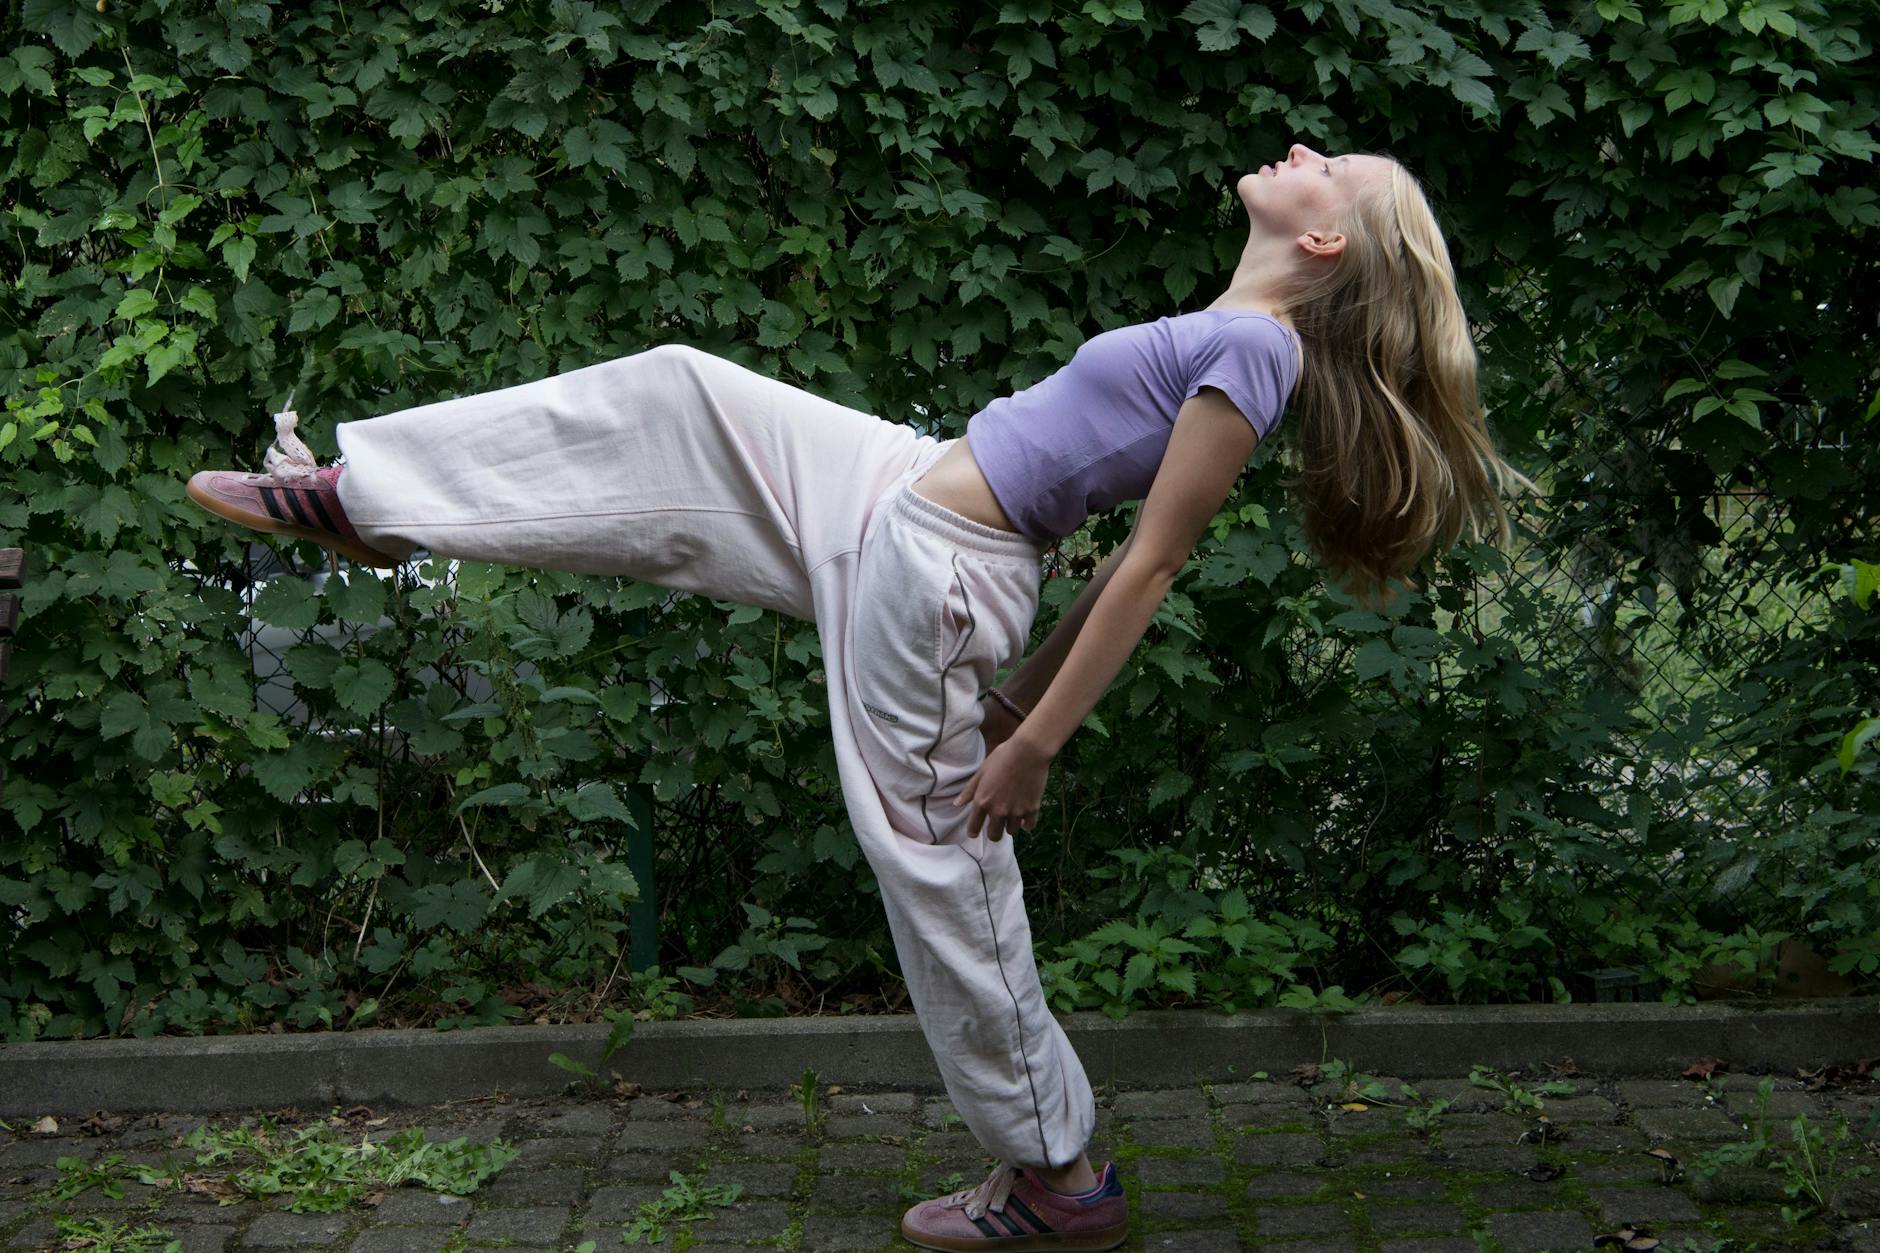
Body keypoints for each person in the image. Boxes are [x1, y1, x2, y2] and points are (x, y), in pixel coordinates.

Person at [187, 142, 1530, 1251]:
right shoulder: (1229, 329)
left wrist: (1037, 739)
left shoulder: (1260, 361)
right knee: (680, 392)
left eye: (1332, 167)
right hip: (900, 490)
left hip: (942, 564)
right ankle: (376, 502)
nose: (1303, 152)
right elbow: (1116, 548)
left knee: (946, 865)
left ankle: (1060, 1174)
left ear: (1329, 243)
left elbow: (1153, 561)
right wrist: (1014, 699)